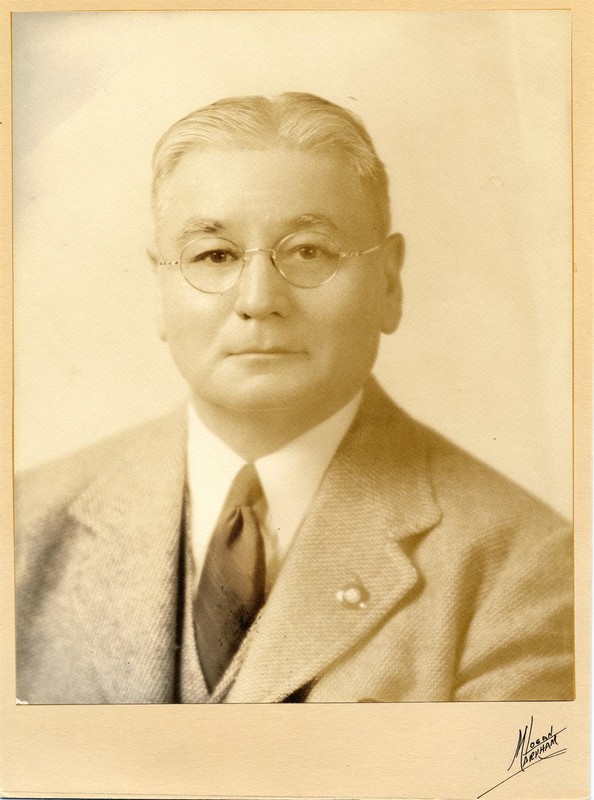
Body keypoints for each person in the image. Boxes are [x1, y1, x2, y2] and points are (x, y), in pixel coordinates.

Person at [15, 93, 573, 704]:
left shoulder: (527, 569)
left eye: (310, 251)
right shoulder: (22, 526)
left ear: (388, 282)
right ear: (160, 289)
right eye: (215, 255)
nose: (259, 299)